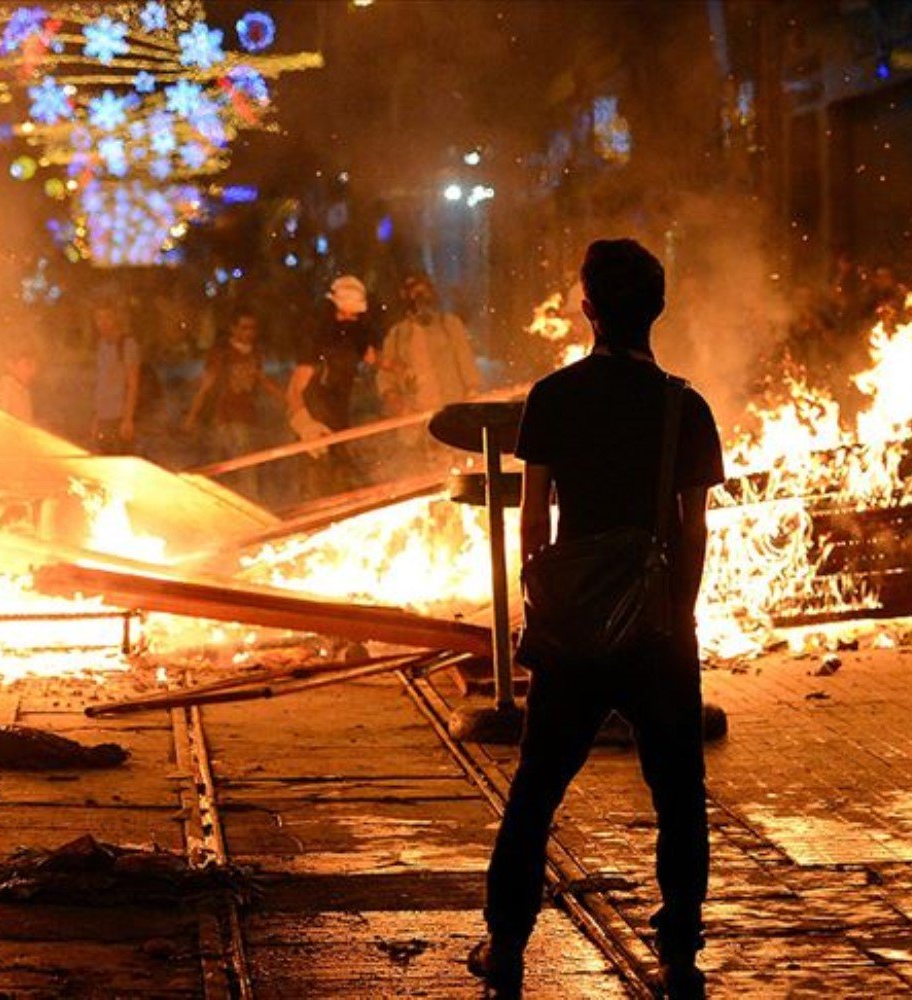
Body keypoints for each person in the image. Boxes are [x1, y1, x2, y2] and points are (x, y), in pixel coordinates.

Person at [469, 240, 724, 1000]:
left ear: (588, 309)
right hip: (658, 629)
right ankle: (678, 950)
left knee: (537, 788)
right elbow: (696, 527)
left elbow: (532, 522)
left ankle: (507, 945)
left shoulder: (552, 397)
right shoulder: (686, 405)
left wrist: (538, 612)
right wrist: (678, 617)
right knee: (678, 791)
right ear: (658, 309)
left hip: (575, 627)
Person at [286, 275, 381, 495]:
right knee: (317, 492)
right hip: (315, 430)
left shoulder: (356, 334)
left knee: (344, 490)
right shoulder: (316, 338)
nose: (347, 317)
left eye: (353, 314)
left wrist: (402, 368)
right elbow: (293, 391)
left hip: (340, 425)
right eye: (342, 312)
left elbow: (375, 359)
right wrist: (305, 426)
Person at [183, 308, 283, 497]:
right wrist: (192, 415)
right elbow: (206, 384)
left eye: (252, 328)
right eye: (244, 328)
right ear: (233, 329)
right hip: (225, 418)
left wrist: (287, 402)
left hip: (246, 417)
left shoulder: (254, 354)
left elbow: (261, 381)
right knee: (234, 470)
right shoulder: (222, 354)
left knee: (243, 468)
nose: (249, 333)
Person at [379, 272, 480, 415]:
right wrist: (394, 400)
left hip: (450, 414)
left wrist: (472, 392)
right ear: (406, 298)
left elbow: (466, 360)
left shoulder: (449, 324)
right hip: (414, 423)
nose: (421, 299)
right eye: (415, 294)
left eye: (424, 292)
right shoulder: (396, 335)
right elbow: (385, 376)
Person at [89, 303, 142, 453]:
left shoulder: (127, 345)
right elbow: (101, 383)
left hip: (120, 416)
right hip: (104, 416)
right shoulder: (101, 346)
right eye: (98, 318)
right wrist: (96, 418)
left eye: (107, 317)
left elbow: (133, 384)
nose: (102, 322)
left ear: (116, 319)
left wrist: (128, 419)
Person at [0, 342, 39, 424]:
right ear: (11, 365)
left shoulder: (24, 392)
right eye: (28, 364)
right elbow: (1, 424)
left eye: (35, 366)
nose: (33, 371)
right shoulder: (4, 389)